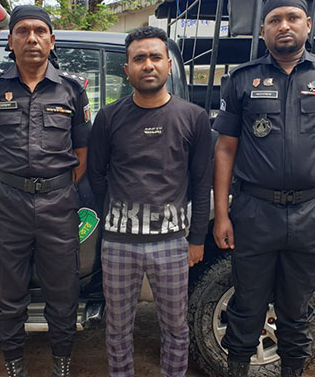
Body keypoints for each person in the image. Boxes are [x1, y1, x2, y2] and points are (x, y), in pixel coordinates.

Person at [212, 0, 315, 377]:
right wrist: (222, 214)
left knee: (298, 308)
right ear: (263, 31)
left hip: (310, 212)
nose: (284, 25)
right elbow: (225, 150)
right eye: (275, 20)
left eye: (292, 18)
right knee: (247, 305)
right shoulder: (241, 80)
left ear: (307, 25)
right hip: (254, 211)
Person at [0, 5, 91, 377]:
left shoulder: (71, 90)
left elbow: (81, 157)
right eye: (23, 31)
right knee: (8, 295)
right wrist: (16, 186)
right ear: (10, 40)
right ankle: (14, 367)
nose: (32, 38)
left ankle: (62, 365)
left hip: (58, 205)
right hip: (8, 205)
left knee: (63, 291)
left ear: (52, 41)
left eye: (40, 31)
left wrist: (50, 188)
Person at [87, 26, 213, 377]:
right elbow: (96, 175)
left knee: (175, 329)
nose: (148, 64)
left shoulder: (193, 118)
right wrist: (115, 214)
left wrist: (197, 238)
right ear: (126, 70)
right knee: (117, 330)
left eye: (155, 57)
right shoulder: (109, 118)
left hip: (172, 243)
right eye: (138, 58)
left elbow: (201, 183)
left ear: (169, 65)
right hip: (118, 244)